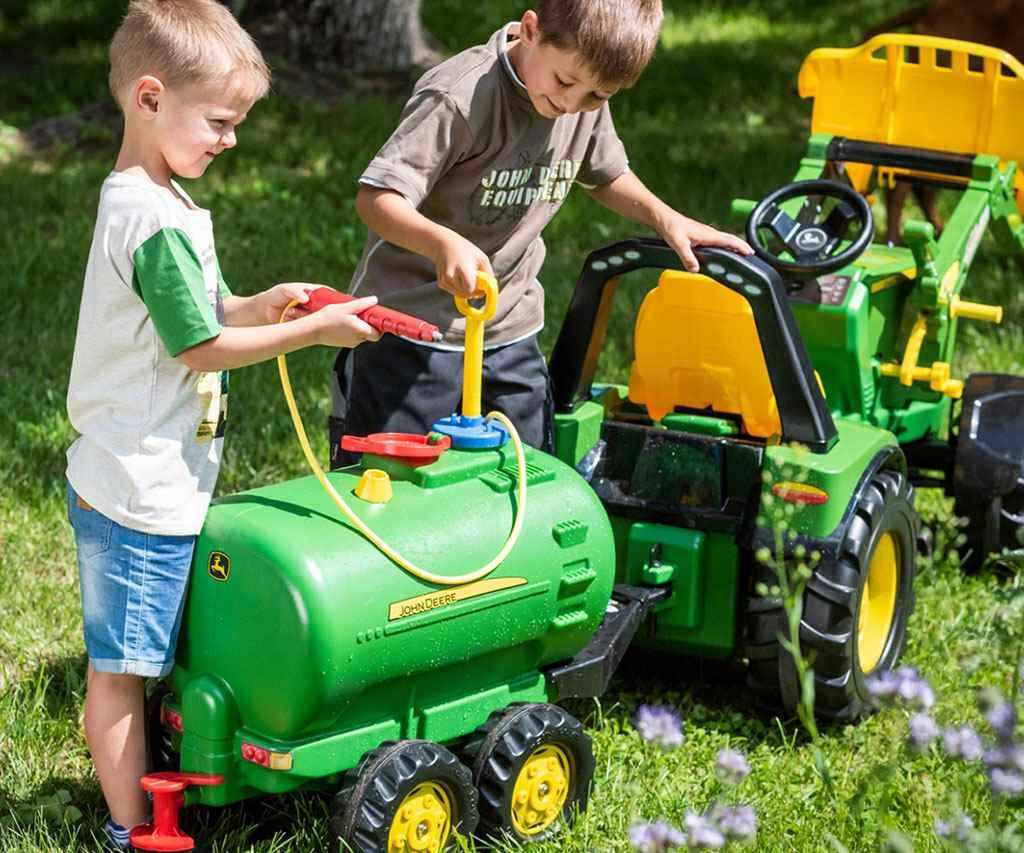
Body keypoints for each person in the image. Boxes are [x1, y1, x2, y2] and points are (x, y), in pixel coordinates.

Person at [64, 1, 380, 848]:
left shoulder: (157, 199)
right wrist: (309, 332)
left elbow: (202, 314)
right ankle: (130, 830)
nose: (231, 139)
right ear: (150, 97)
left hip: (158, 480)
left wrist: (262, 303)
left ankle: (157, 789)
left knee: (147, 657)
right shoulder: (150, 218)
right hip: (135, 491)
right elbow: (202, 348)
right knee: (123, 671)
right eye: (220, 121)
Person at [330, 0, 751, 465]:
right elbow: (377, 197)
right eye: (566, 83)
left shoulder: (580, 97)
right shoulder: (460, 96)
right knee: (393, 478)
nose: (572, 104)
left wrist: (665, 217)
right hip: (413, 328)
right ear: (530, 30)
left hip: (509, 321)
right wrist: (441, 242)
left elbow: (604, 173)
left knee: (524, 469)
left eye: (596, 97)